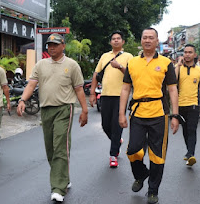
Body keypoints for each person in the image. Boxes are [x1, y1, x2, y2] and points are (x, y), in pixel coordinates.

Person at [16, 33, 88, 202]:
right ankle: (64, 178)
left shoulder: (72, 65)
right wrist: (22, 100)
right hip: (46, 110)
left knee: (60, 147)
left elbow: (79, 90)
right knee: (50, 148)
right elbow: (31, 84)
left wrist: (84, 110)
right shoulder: (41, 65)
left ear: (63, 45)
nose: (51, 47)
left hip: (64, 109)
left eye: (55, 45)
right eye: (49, 45)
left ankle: (58, 187)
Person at [119, 28, 180, 204]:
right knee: (133, 151)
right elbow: (125, 88)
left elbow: (172, 89)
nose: (147, 40)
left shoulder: (166, 62)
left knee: (157, 155)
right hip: (137, 111)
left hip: (159, 113)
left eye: (151, 38)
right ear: (141, 40)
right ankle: (141, 174)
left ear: (156, 41)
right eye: (144, 37)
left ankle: (153, 190)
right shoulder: (132, 63)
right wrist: (121, 113)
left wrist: (175, 115)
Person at [89, 30, 133, 168]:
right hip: (106, 94)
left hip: (121, 96)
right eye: (113, 39)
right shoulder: (104, 56)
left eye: (118, 38)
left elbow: (132, 75)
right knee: (105, 125)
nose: (116, 40)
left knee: (117, 124)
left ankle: (113, 154)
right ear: (110, 42)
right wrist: (92, 93)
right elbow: (96, 74)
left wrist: (119, 66)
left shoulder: (128, 56)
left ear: (123, 42)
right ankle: (117, 141)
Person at [175, 44, 200, 167]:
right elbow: (173, 79)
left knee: (192, 129)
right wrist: (178, 64)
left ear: (195, 55)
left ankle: (191, 153)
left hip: (193, 104)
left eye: (190, 52)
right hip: (180, 105)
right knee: (185, 130)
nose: (187, 54)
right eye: (185, 52)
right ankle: (189, 152)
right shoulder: (178, 68)